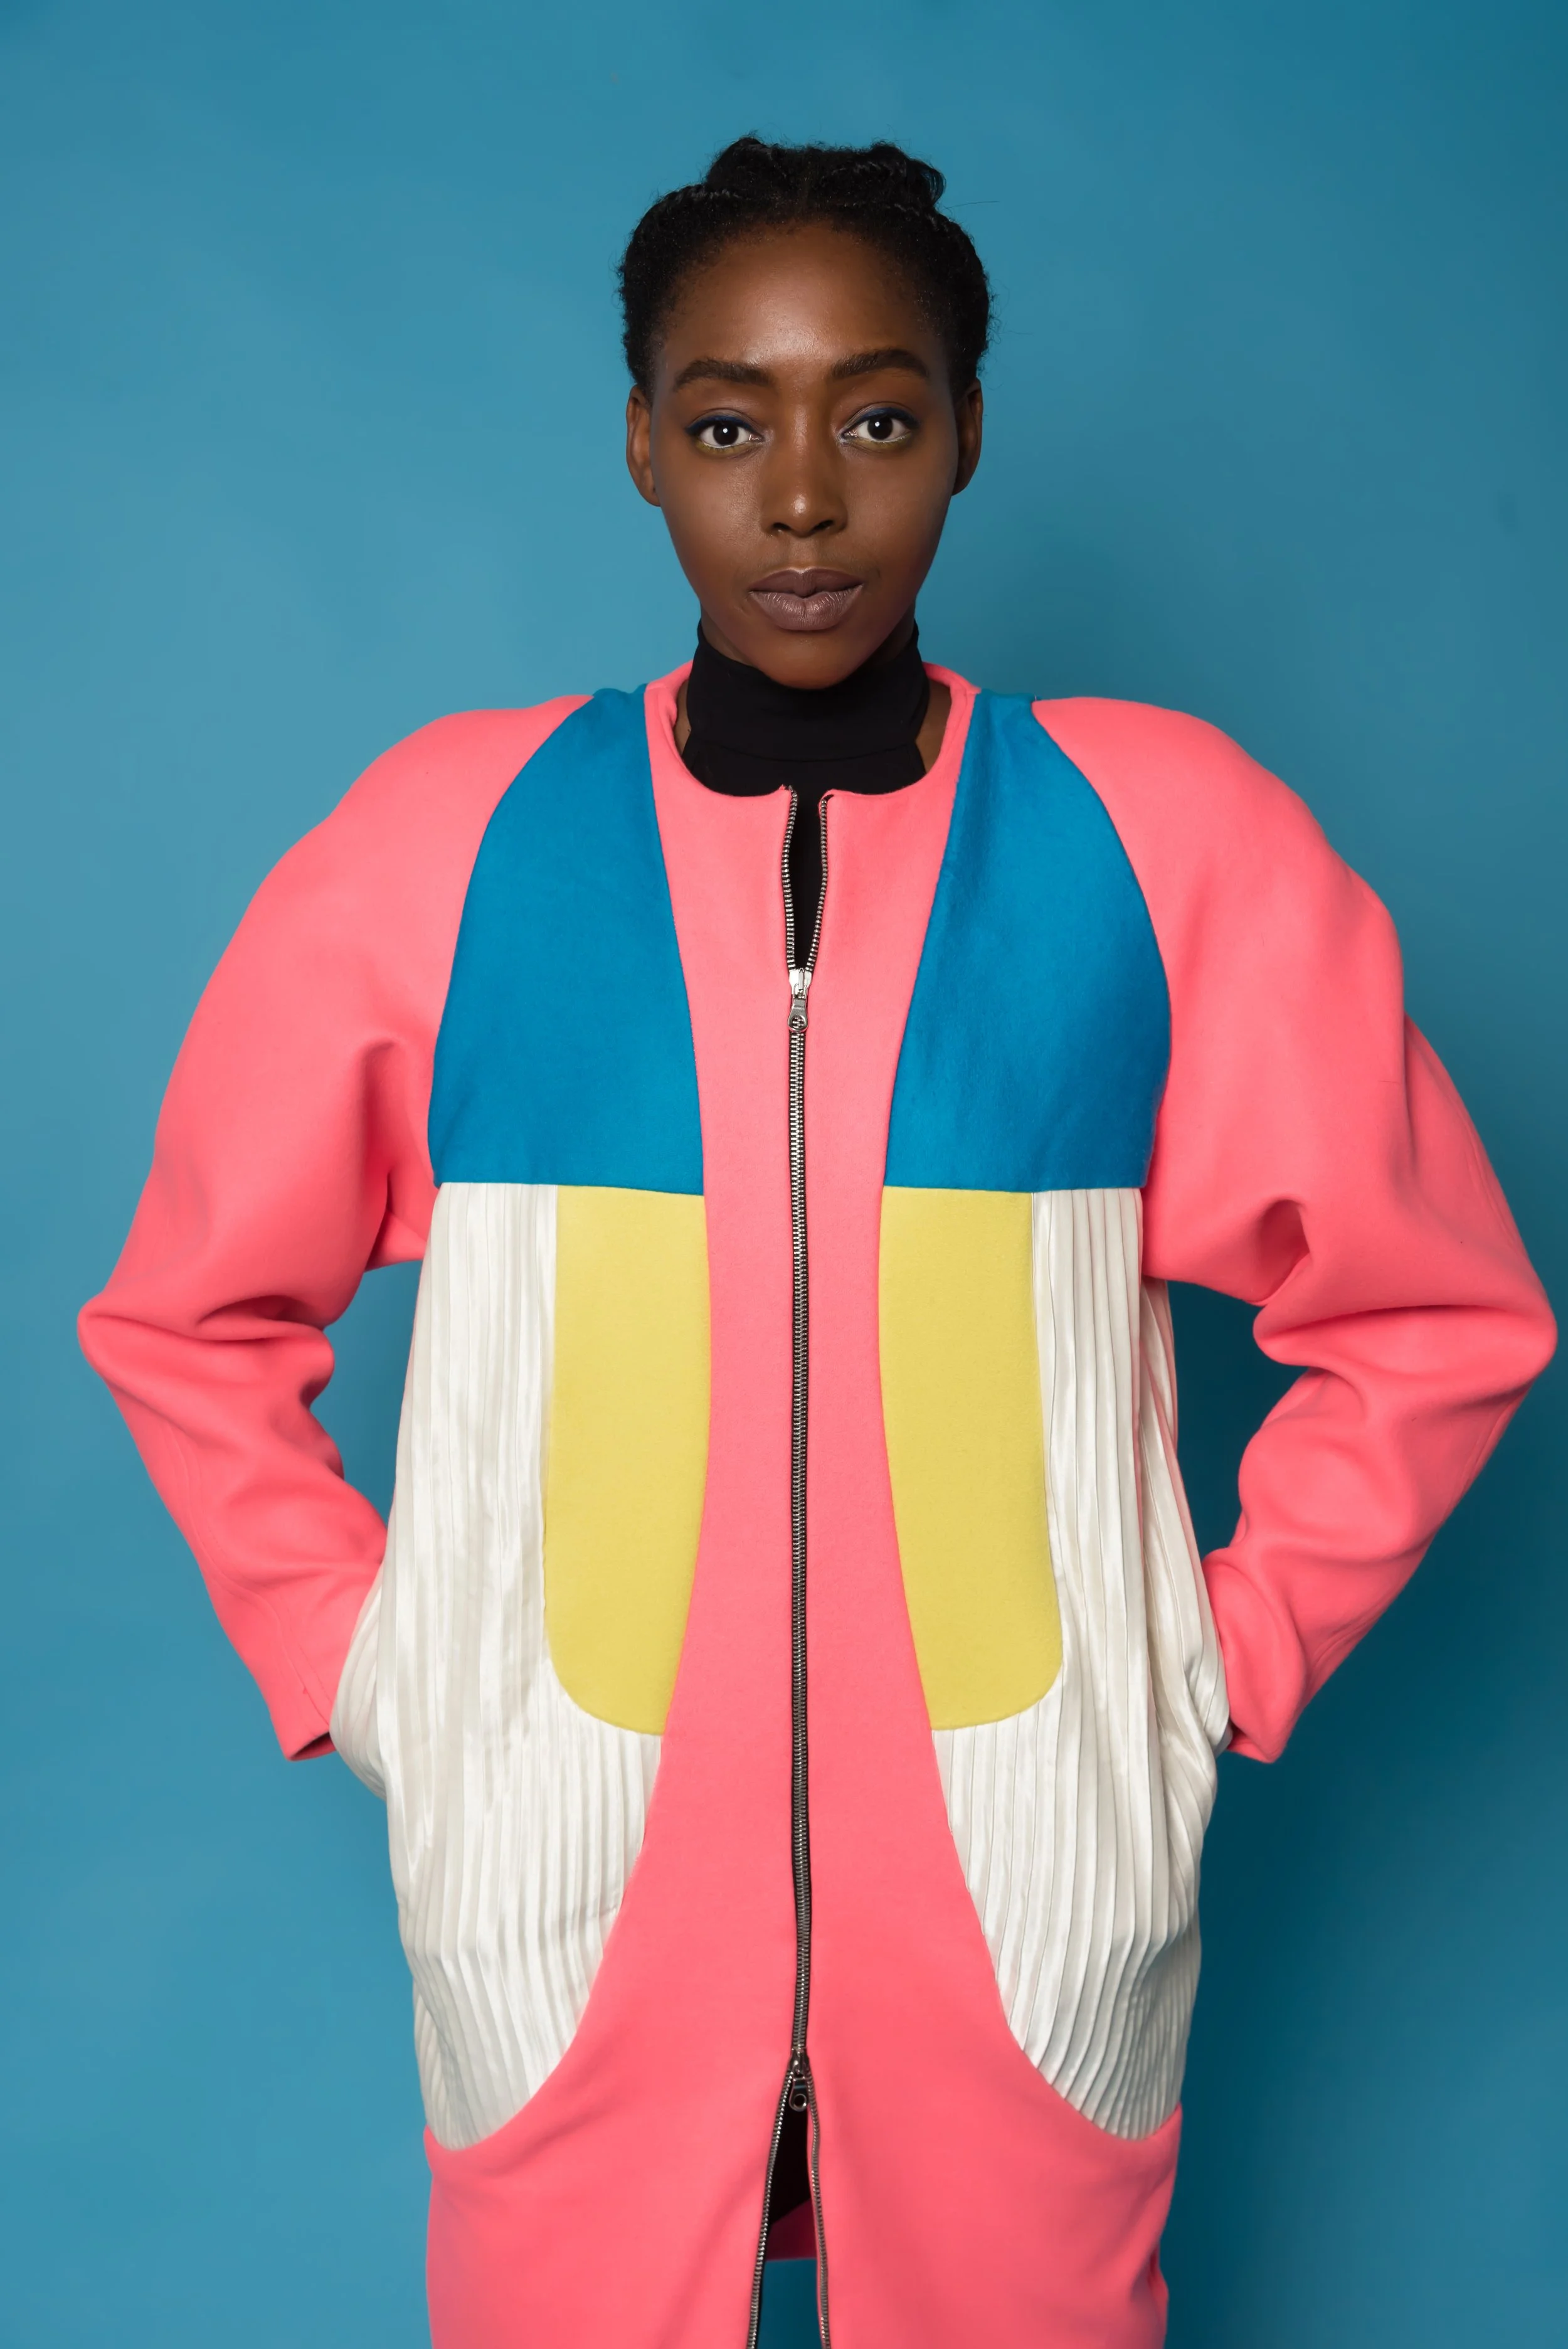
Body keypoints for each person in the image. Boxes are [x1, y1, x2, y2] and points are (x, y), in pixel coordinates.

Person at [79, 137, 1554, 2349]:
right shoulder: (450, 842)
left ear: (963, 435)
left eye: (873, 418)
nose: (799, 498)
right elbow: (188, 1316)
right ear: (641, 444)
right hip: (563, 1889)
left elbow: (1438, 1311)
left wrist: (1200, 1668)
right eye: (725, 419)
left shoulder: (1155, 841)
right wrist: (373, 1670)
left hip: (1020, 1889)